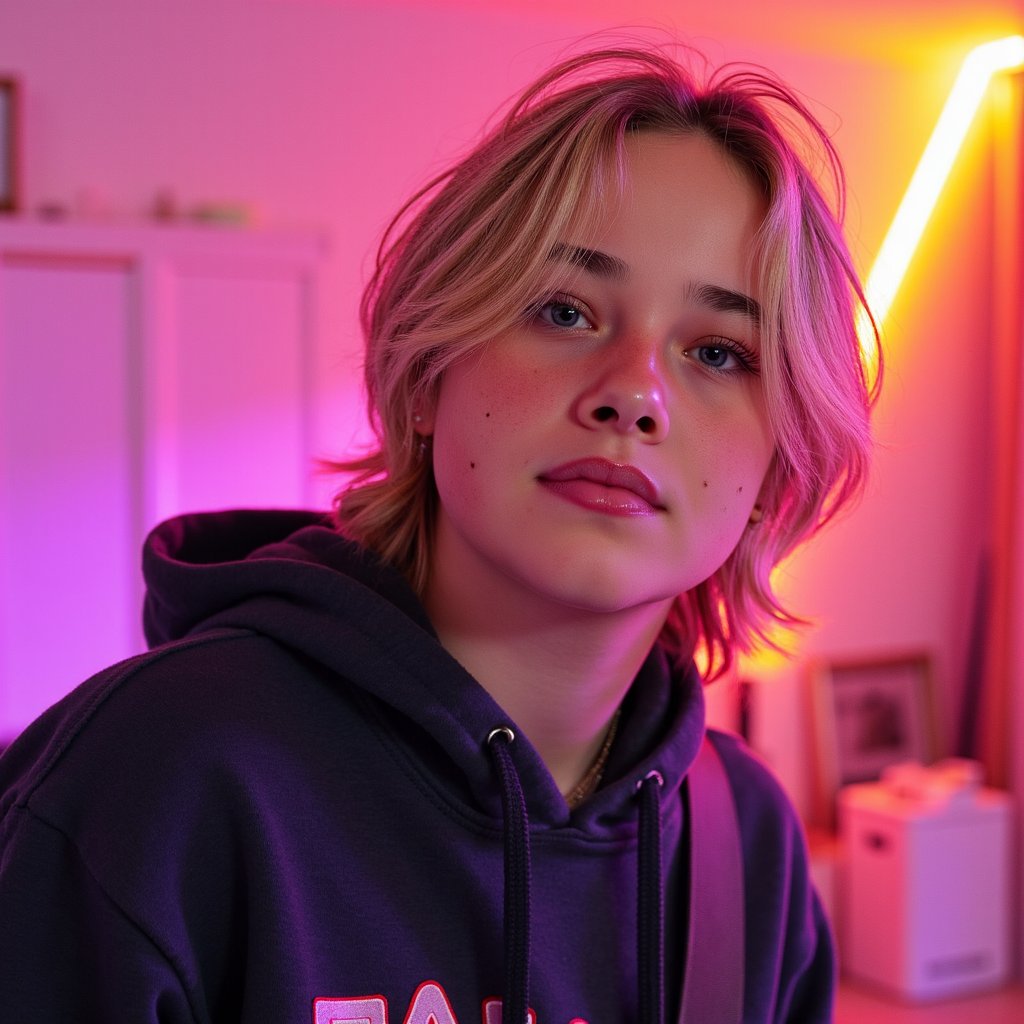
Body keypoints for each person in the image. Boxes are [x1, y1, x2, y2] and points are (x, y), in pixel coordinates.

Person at [0, 45, 877, 1024]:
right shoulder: (158, 777)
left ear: (774, 470)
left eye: (717, 351)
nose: (635, 393)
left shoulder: (747, 849)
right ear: (427, 378)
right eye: (564, 310)